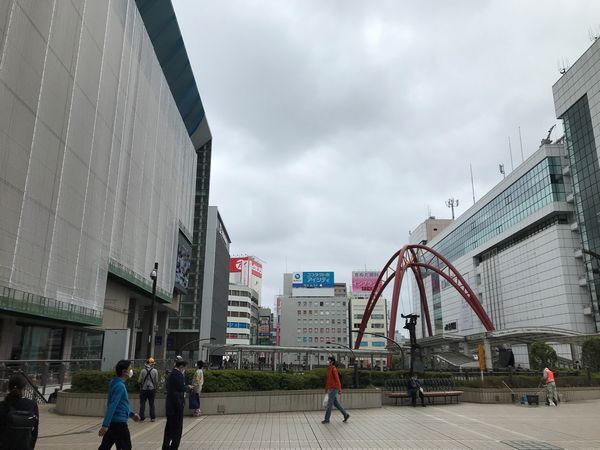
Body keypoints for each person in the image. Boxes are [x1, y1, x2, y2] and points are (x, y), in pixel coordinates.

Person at [98, 360, 140, 450]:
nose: (131, 371)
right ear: (124, 372)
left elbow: (121, 405)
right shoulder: (120, 386)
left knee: (104, 447)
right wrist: (105, 425)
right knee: (126, 447)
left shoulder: (114, 382)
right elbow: (112, 405)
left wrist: (131, 415)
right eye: (130, 369)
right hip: (119, 424)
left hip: (114, 423)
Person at [0, 373, 39, 449]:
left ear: (8, 388)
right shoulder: (32, 404)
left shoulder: (2, 405)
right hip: (24, 446)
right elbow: (35, 431)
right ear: (24, 388)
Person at [163, 356, 192, 450]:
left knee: (169, 427)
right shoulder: (178, 375)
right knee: (177, 428)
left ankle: (166, 446)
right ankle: (174, 446)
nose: (185, 369)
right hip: (176, 405)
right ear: (181, 366)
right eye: (185, 367)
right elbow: (181, 388)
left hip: (170, 405)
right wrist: (188, 387)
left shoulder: (171, 374)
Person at [322, 356, 350, 424]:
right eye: (328, 360)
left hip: (334, 388)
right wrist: (326, 388)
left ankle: (327, 419)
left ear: (332, 362)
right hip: (330, 388)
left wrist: (339, 389)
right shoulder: (329, 369)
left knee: (329, 404)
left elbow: (337, 380)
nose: (328, 361)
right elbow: (328, 380)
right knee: (336, 404)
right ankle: (345, 415)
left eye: (329, 360)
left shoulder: (334, 369)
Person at [138, 357, 159, 422]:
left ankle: (141, 418)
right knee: (151, 404)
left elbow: (139, 380)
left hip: (144, 389)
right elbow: (156, 381)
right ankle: (152, 418)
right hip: (152, 389)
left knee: (142, 404)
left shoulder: (142, 371)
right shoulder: (155, 371)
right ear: (151, 364)